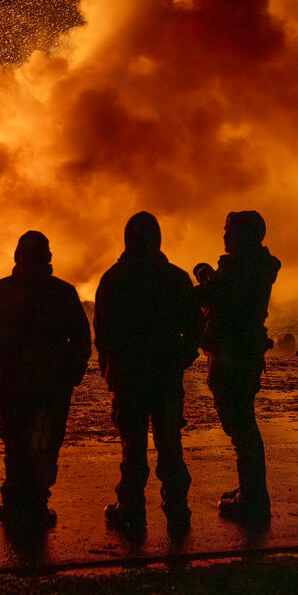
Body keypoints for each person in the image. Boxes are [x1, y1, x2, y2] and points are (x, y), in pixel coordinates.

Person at [0, 231, 91, 527]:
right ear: (48, 257)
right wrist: (70, 375)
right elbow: (80, 339)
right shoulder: (62, 292)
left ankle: (15, 503)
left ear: (17, 257)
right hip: (52, 386)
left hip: (15, 383)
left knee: (16, 442)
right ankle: (37, 503)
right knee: (45, 444)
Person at [94, 212, 201, 532]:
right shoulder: (176, 278)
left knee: (133, 444)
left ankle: (130, 506)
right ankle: (177, 504)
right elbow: (195, 326)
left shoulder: (114, 279)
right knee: (169, 441)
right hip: (165, 374)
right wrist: (182, 356)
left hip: (129, 376)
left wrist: (110, 367)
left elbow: (103, 331)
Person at [194, 210, 281, 525]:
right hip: (242, 354)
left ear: (243, 235)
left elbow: (213, 297)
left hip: (232, 356)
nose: (224, 236)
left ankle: (253, 499)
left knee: (240, 429)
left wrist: (200, 279)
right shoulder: (254, 268)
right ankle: (250, 490)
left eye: (229, 230)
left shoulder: (238, 270)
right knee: (243, 428)